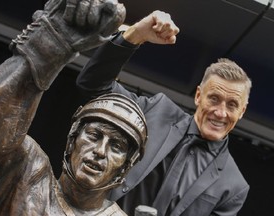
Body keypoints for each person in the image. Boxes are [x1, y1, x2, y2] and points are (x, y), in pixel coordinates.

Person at [76, 10, 252, 216]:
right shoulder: (157, 111)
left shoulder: (234, 186)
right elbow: (92, 86)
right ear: (198, 96)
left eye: (232, 105)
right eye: (213, 99)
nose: (220, 113)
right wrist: (135, 35)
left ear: (242, 111)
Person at [0, 0, 149, 215]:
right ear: (73, 137)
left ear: (126, 166)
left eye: (116, 147)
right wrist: (47, 46)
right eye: (94, 135)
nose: (100, 152)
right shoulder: (26, 171)